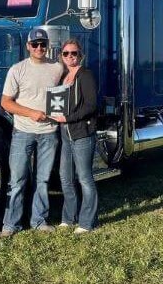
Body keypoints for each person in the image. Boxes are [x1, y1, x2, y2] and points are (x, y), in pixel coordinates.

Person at [0, 28, 64, 237]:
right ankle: (11, 225)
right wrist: (31, 113)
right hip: (23, 131)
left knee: (43, 180)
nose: (39, 48)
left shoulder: (56, 68)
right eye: (35, 44)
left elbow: (68, 82)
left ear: (47, 46)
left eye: (43, 44)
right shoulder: (17, 70)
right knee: (17, 180)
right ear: (28, 46)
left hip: (49, 132)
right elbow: (6, 103)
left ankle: (39, 221)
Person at [51, 38, 98, 234]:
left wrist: (68, 118)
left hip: (82, 134)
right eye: (66, 54)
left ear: (81, 56)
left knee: (85, 178)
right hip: (65, 135)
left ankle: (87, 222)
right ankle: (68, 218)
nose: (70, 57)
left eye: (74, 53)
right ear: (61, 56)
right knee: (65, 177)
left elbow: (91, 105)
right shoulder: (62, 77)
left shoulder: (85, 75)